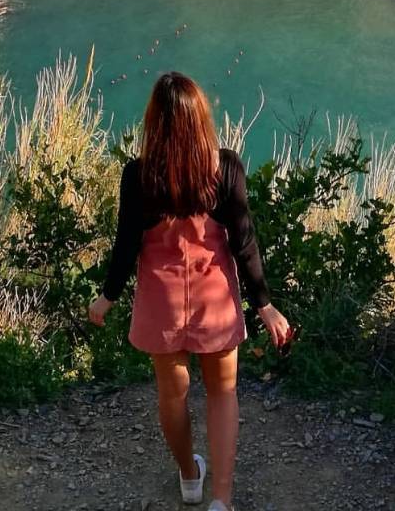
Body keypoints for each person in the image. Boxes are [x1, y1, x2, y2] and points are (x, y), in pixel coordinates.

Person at [89, 73, 291, 510]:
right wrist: (265, 305)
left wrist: (107, 296)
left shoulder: (137, 176)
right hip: (213, 299)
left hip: (161, 304)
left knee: (172, 395)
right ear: (202, 119)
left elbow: (127, 245)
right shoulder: (226, 168)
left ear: (153, 124)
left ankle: (189, 477)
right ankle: (221, 500)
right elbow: (244, 242)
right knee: (222, 393)